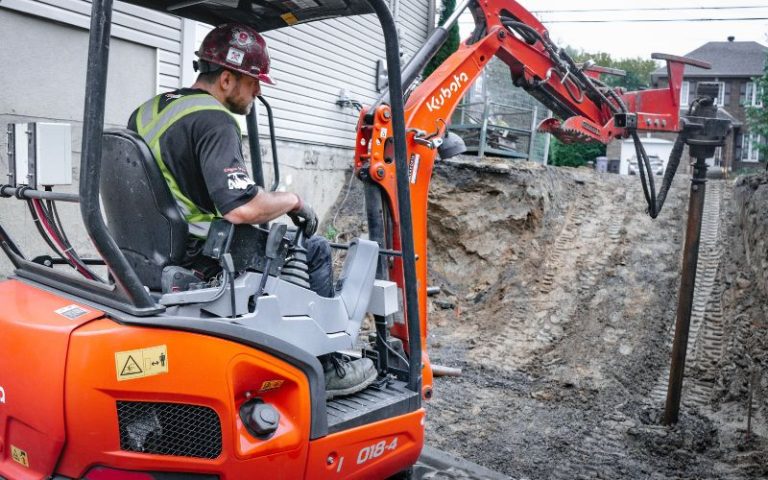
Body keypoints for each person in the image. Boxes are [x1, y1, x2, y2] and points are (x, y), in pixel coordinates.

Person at [127, 23, 376, 399]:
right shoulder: (214, 120)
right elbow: (242, 208)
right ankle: (324, 366)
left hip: (149, 250)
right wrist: (292, 201)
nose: (258, 91)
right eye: (253, 81)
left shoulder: (147, 111)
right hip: (199, 254)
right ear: (227, 78)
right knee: (314, 249)